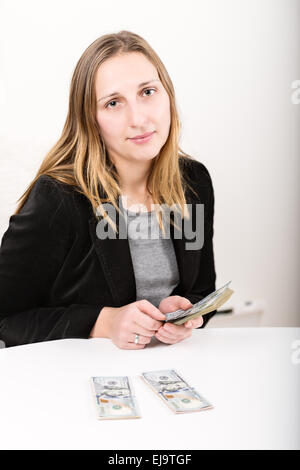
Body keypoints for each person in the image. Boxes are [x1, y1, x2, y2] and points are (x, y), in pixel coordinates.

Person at [0, 30, 216, 349]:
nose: (139, 118)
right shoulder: (58, 198)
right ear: (90, 119)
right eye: (113, 103)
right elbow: (6, 318)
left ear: (168, 94)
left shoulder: (193, 183)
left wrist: (183, 312)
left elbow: (201, 291)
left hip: (166, 370)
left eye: (148, 92)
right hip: (75, 382)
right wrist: (104, 321)